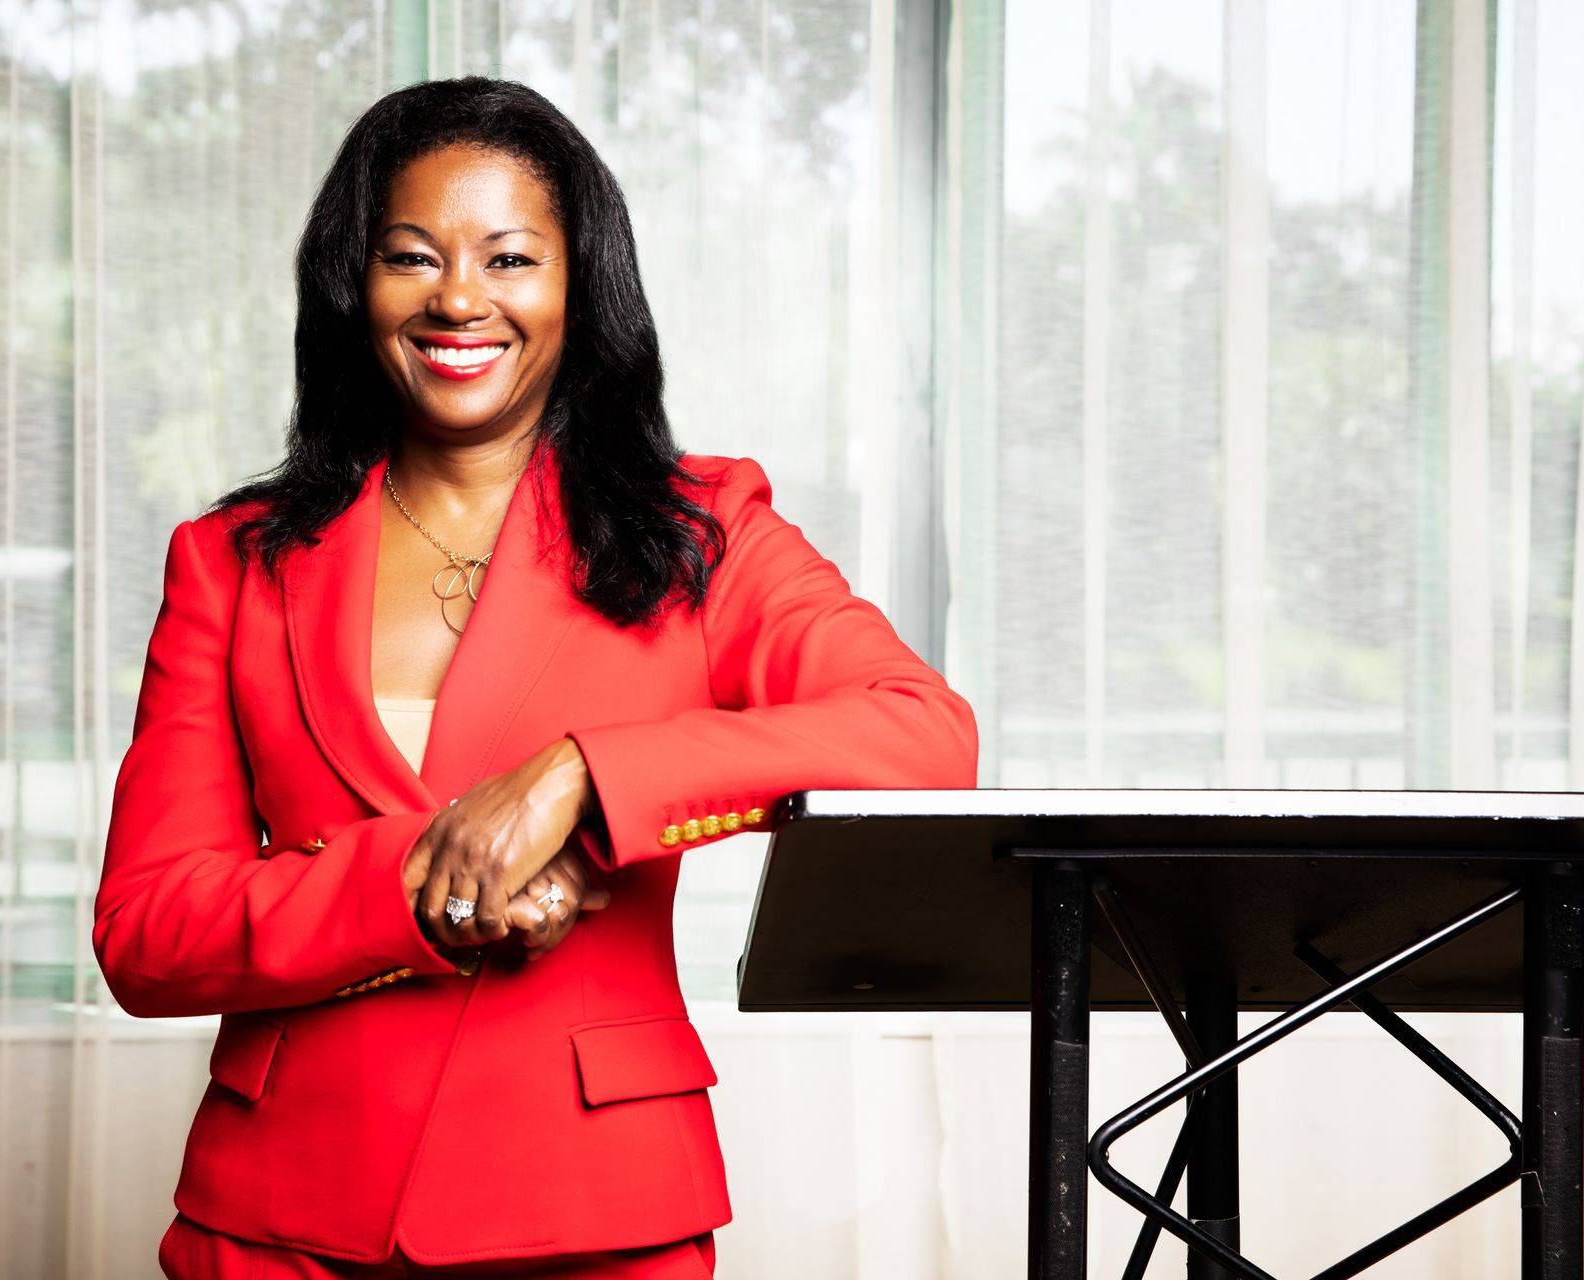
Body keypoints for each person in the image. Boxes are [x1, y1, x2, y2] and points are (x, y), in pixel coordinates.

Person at [95, 75, 979, 1279]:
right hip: (274, 1220)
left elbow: (923, 735)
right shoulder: (234, 561)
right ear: (354, 283)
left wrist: (582, 778)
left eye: (509, 257)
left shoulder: (701, 532)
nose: (458, 296)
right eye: (412, 256)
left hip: (594, 1209)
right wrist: (420, 880)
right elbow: (150, 932)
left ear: (579, 287)